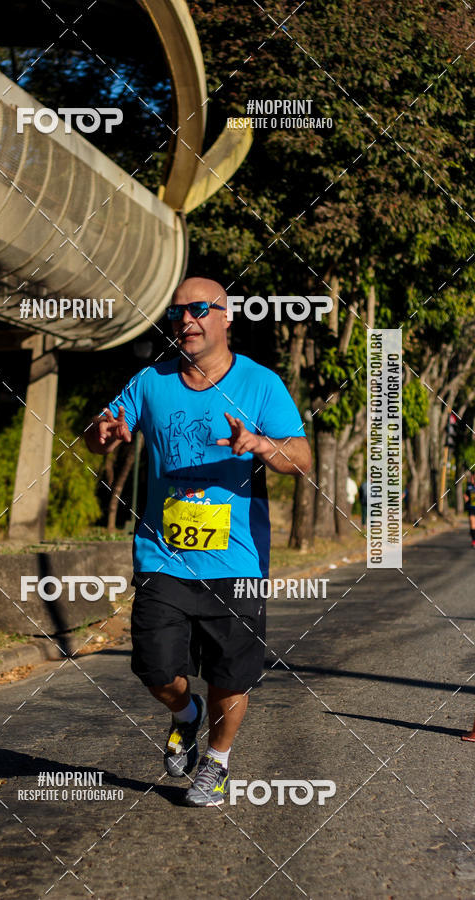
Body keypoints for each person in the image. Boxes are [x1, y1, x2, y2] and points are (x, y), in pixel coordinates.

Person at [85, 276, 311, 806]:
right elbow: (100, 427)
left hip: (237, 560)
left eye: (200, 309)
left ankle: (217, 761)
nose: (186, 319)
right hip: (163, 555)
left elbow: (300, 459)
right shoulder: (150, 381)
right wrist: (103, 432)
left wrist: (260, 444)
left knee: (231, 677)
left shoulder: (260, 385)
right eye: (178, 311)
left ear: (226, 317)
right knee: (155, 666)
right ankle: (184, 713)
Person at [464, 471, 475, 548]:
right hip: (472, 507)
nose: (472, 479)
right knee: (472, 523)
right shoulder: (469, 487)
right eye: (472, 477)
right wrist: (466, 498)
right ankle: (474, 540)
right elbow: (466, 494)